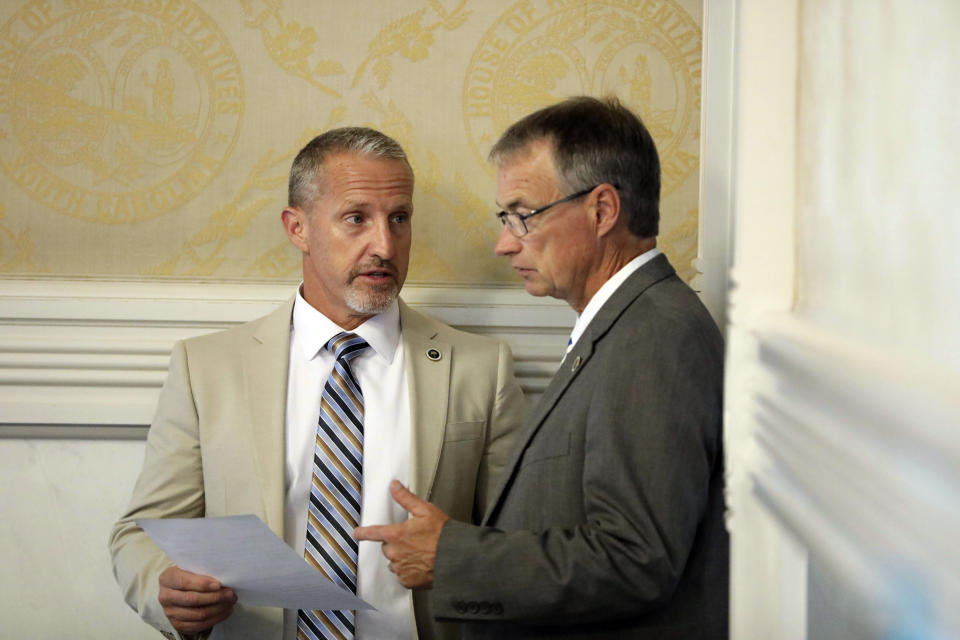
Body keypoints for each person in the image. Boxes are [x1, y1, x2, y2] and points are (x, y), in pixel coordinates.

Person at [109, 127, 526, 640]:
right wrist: (164, 589)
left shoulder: (481, 368)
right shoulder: (207, 368)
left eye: (400, 219)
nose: (385, 244)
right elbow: (141, 532)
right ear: (297, 228)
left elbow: (525, 546)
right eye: (357, 218)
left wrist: (459, 563)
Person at [355, 96, 728, 638]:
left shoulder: (657, 337)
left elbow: (636, 560)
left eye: (523, 216)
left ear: (602, 210)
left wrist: (453, 557)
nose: (505, 243)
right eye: (505, 218)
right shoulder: (625, 325)